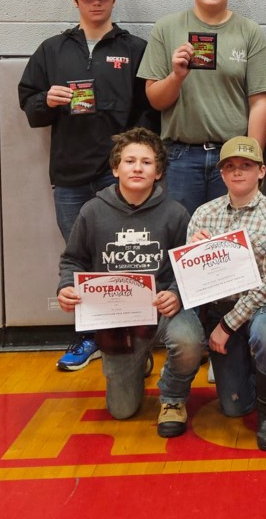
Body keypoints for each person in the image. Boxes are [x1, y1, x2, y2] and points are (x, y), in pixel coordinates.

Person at [18, 0, 157, 372]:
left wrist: (136, 160)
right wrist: (49, 100)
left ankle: (132, 344)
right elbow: (30, 108)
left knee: (127, 257)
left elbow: (150, 111)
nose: (96, 3)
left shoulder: (135, 48)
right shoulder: (51, 49)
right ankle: (87, 337)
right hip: (70, 175)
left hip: (120, 177)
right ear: (75, 0)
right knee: (80, 259)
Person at [55, 128, 205, 438]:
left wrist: (176, 293)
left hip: (162, 309)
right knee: (122, 411)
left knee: (190, 341)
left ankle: (173, 397)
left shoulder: (176, 214)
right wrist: (66, 287)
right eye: (129, 161)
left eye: (147, 162)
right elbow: (73, 260)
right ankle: (139, 361)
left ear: (159, 171)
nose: (137, 168)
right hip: (117, 318)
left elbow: (187, 266)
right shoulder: (93, 211)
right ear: (115, 169)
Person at [186, 136, 266, 451]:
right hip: (218, 307)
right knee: (234, 407)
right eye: (230, 167)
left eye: (246, 166)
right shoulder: (202, 215)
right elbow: (192, 281)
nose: (238, 172)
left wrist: (227, 325)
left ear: (262, 171)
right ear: (222, 174)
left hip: (261, 308)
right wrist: (193, 251)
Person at [138, 0, 266, 215]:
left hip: (232, 156)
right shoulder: (166, 29)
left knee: (233, 241)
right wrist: (176, 76)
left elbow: (260, 101)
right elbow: (155, 100)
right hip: (180, 158)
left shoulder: (249, 31)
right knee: (183, 239)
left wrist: (251, 157)